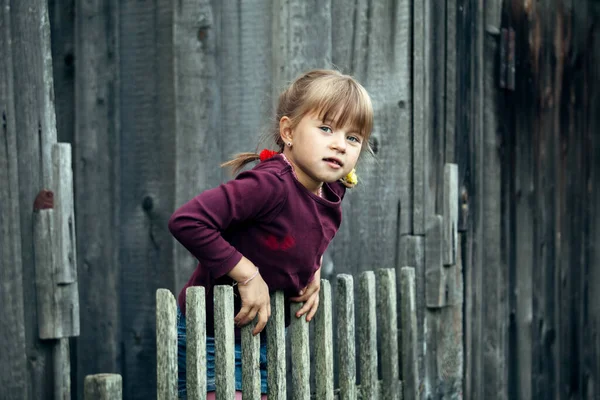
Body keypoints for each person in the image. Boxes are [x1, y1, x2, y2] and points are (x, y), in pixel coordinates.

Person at [168, 69, 373, 399]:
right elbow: (187, 221)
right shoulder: (270, 184)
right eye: (326, 128)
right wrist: (248, 276)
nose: (339, 144)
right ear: (289, 131)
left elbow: (309, 230)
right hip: (210, 331)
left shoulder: (332, 189)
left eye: (353, 137)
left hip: (258, 336)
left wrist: (313, 271)